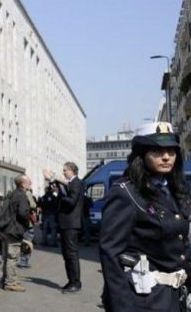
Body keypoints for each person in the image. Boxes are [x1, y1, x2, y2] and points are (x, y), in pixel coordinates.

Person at [100, 122, 191, 312]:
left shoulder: (175, 190)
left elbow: (180, 244)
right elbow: (110, 254)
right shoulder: (126, 193)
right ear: (141, 155)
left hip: (174, 297)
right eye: (157, 152)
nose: (166, 157)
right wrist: (121, 307)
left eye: (171, 151)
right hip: (143, 300)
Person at [44, 161, 85, 294]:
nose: (63, 172)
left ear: (72, 170)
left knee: (71, 254)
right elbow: (62, 197)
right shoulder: (70, 184)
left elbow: (71, 201)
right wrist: (53, 184)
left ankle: (76, 283)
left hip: (71, 224)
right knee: (66, 254)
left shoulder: (77, 182)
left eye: (65, 170)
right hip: (65, 223)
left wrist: (60, 193)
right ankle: (71, 280)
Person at [1, 174, 31, 292]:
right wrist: (28, 220)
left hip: (6, 229)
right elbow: (23, 213)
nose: (30, 183)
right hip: (14, 230)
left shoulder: (12, 194)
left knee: (6, 257)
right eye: (29, 181)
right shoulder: (21, 195)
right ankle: (11, 282)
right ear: (23, 184)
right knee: (12, 257)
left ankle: (6, 279)